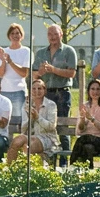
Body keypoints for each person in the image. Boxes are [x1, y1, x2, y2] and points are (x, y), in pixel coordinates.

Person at [32, 25, 77, 163]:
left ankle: (63, 163)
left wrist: (53, 70)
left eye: (55, 34)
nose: (52, 36)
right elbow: (34, 75)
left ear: (61, 34)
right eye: (49, 34)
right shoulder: (40, 53)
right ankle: (49, 161)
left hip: (62, 93)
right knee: (45, 127)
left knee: (62, 128)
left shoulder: (69, 51)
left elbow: (72, 73)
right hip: (45, 94)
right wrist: (40, 72)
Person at [7, 79, 59, 162]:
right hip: (29, 137)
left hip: (47, 138)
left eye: (39, 88)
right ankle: (9, 170)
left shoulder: (51, 105)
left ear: (44, 90)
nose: (36, 91)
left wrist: (38, 117)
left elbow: (52, 127)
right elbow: (23, 129)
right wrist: (30, 118)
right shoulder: (26, 104)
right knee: (16, 141)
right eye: (34, 89)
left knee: (27, 145)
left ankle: (26, 169)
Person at [70, 79, 100, 167]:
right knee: (88, 148)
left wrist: (91, 119)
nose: (95, 92)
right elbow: (79, 131)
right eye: (92, 89)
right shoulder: (85, 105)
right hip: (87, 141)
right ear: (89, 91)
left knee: (82, 139)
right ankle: (87, 173)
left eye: (98, 89)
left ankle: (71, 167)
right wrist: (82, 119)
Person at [0, 22, 30, 128]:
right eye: (12, 33)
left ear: (21, 35)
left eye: (17, 33)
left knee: (19, 122)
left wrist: (10, 62)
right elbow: (0, 74)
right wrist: (3, 61)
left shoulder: (26, 51)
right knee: (5, 121)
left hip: (19, 92)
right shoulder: (4, 51)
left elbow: (24, 73)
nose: (15, 36)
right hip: (4, 91)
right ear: (9, 36)